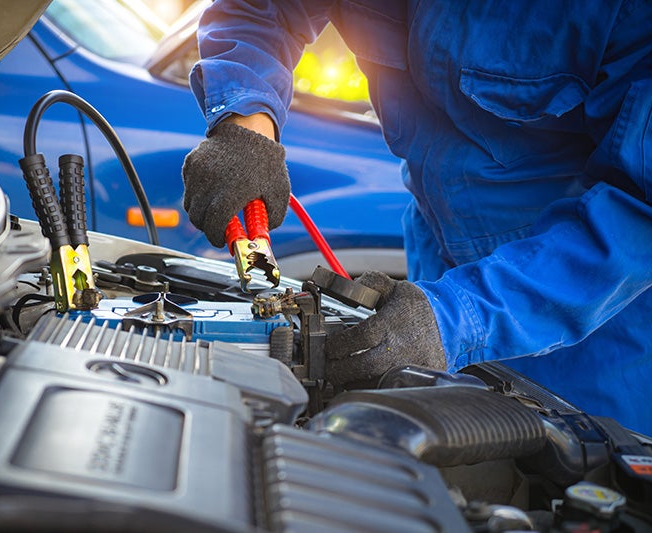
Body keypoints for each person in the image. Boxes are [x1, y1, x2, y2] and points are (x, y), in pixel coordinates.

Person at [181, 0, 652, 435]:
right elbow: (264, 9)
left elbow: (639, 211)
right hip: (434, 264)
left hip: (594, 321)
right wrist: (247, 126)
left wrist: (457, 318)